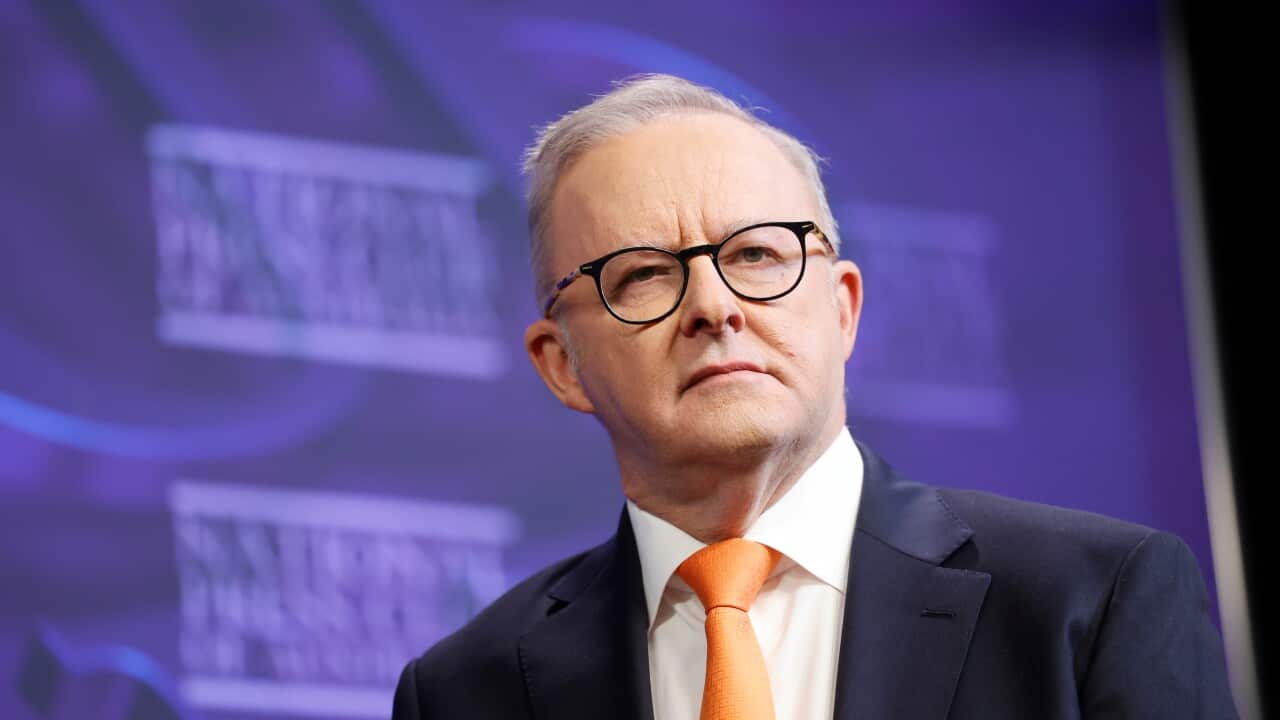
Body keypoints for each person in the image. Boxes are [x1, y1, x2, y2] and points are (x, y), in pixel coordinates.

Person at [392, 74, 1238, 719]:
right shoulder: (467, 688)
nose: (714, 307)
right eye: (644, 274)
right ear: (561, 363)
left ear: (842, 310)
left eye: (758, 256)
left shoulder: (1089, 601)